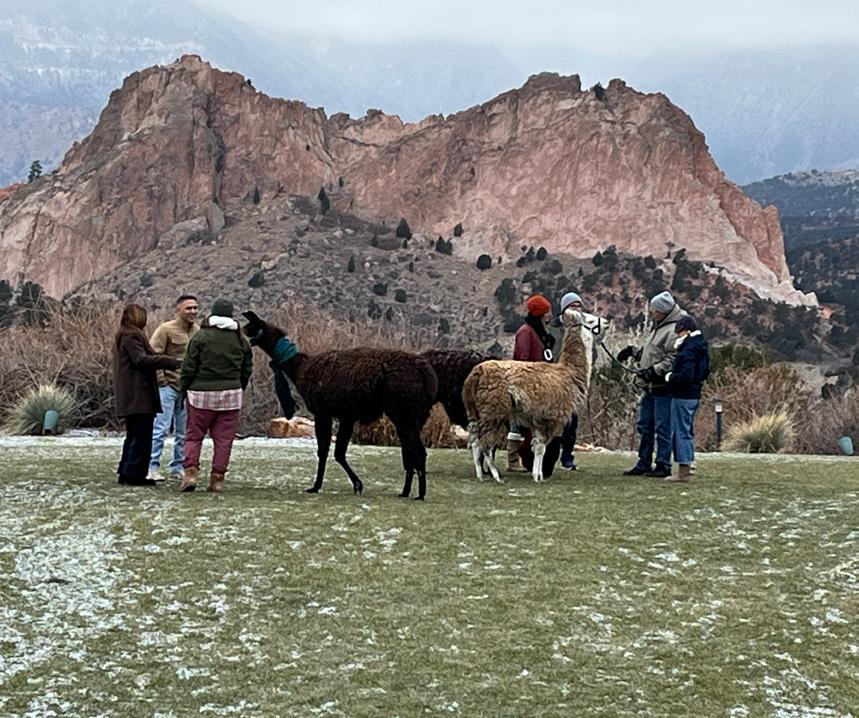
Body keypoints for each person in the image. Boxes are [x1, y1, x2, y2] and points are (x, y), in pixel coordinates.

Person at [179, 298, 253, 493]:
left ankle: (191, 474)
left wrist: (183, 388)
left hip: (200, 395)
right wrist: (238, 386)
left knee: (194, 437)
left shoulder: (201, 336)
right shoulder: (241, 340)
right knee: (223, 440)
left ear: (213, 314)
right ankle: (217, 479)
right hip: (231, 396)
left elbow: (189, 367)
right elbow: (246, 369)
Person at [618, 290, 686, 478]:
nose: (652, 313)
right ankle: (644, 462)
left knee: (662, 427)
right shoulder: (661, 327)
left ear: (663, 311)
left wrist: (654, 371)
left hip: (663, 388)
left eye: (655, 310)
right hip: (649, 387)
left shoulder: (673, 330)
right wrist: (634, 353)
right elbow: (654, 353)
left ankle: (663, 464)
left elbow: (673, 357)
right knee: (645, 426)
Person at [112, 304, 180, 486]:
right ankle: (135, 474)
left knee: (134, 434)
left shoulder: (123, 335)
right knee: (142, 435)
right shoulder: (132, 335)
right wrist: (171, 362)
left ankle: (127, 471)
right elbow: (141, 359)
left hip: (131, 395)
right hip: (139, 395)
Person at [508, 294, 562, 475]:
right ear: (540, 313)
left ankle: (527, 458)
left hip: (540, 385)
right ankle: (513, 459)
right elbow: (523, 359)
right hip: (527, 385)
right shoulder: (526, 332)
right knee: (518, 423)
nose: (549, 315)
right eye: (547, 312)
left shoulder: (540, 331)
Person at [148, 294, 199, 482]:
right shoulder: (165, 330)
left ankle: (178, 467)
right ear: (178, 310)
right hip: (168, 387)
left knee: (184, 432)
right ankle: (151, 466)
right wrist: (161, 381)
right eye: (188, 308)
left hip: (187, 390)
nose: (193, 311)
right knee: (160, 429)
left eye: (195, 308)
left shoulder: (198, 332)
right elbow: (154, 356)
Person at [664, 315, 710, 483]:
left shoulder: (688, 348)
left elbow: (685, 375)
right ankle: (689, 464)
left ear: (687, 331)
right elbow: (705, 371)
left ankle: (683, 471)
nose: (678, 335)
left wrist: (671, 377)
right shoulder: (701, 346)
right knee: (688, 431)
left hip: (682, 394)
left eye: (679, 332)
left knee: (680, 432)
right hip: (694, 394)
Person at [557, 291, 583, 470]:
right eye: (572, 306)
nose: (576, 309)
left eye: (578, 306)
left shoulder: (583, 330)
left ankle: (567, 456)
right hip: (553, 380)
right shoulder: (554, 329)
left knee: (571, 422)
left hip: (572, 382)